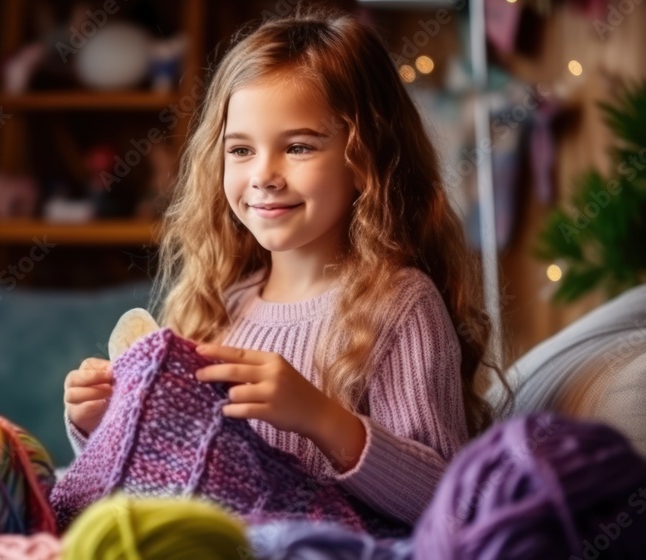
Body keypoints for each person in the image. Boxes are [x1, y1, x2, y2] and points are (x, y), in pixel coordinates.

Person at [63, 4, 512, 527]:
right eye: (241, 150)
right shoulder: (218, 304)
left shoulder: (399, 304)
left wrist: (320, 417)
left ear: (366, 158)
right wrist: (101, 423)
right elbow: (165, 478)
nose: (264, 175)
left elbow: (449, 504)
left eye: (298, 146)